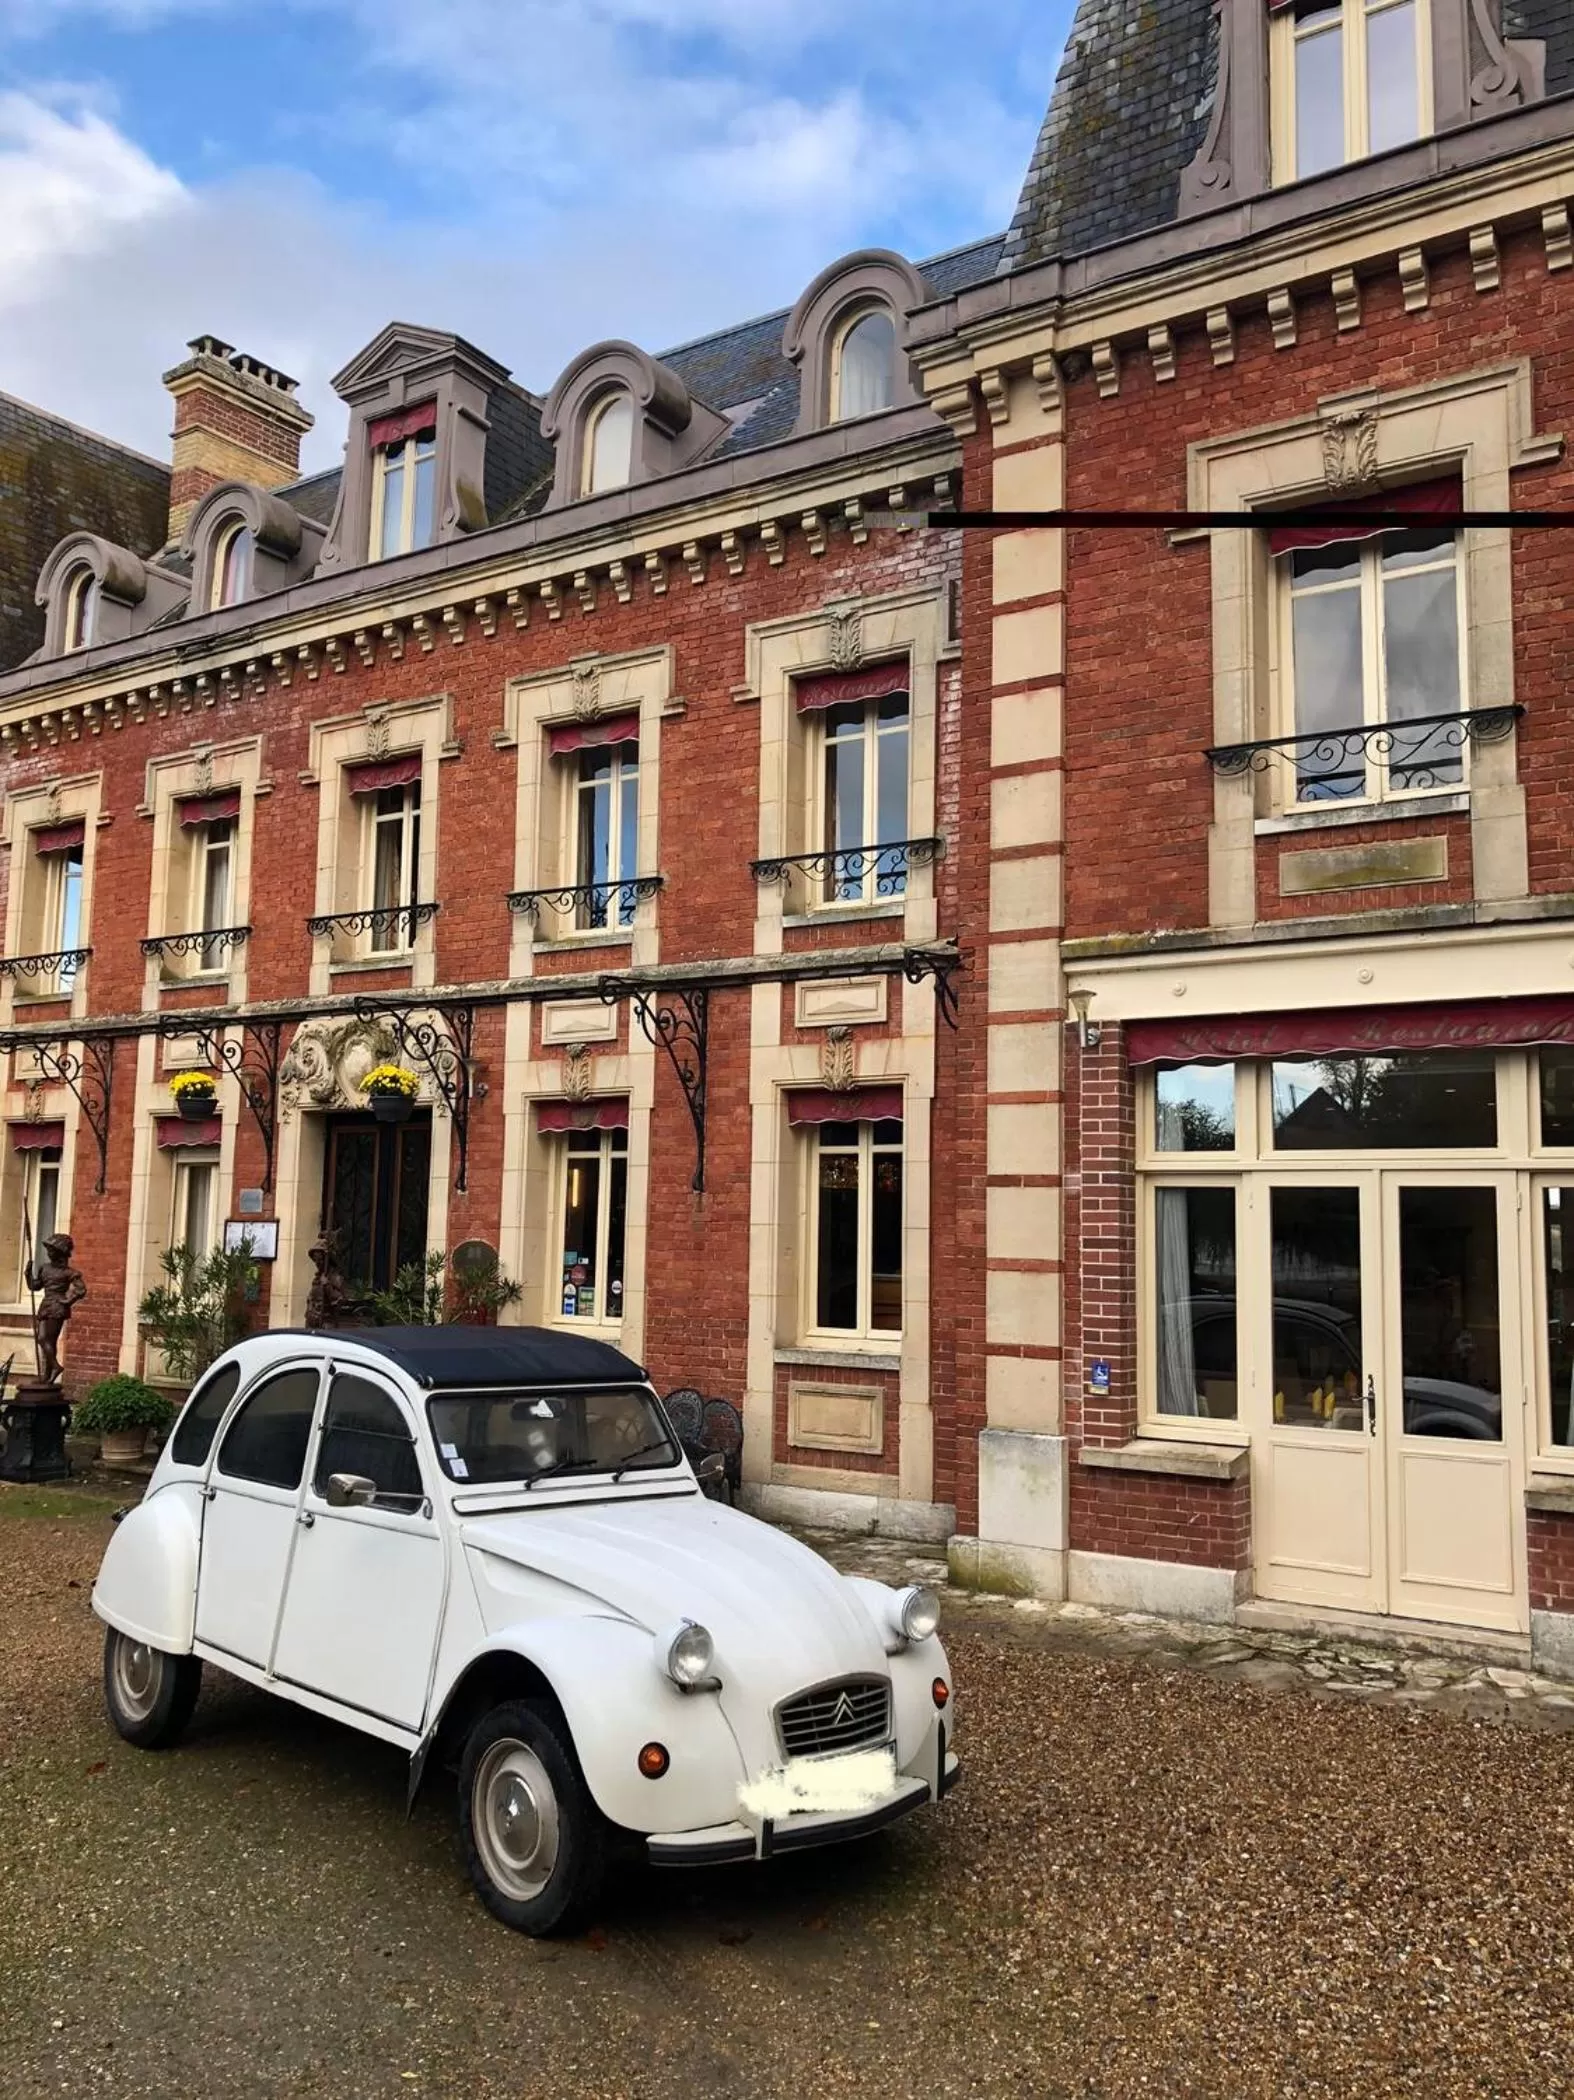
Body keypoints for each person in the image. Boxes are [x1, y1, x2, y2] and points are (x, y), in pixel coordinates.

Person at [26, 1232, 87, 1387]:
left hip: (57, 1307)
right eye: (49, 1250)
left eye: (52, 1250)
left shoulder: (69, 1272)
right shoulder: (44, 1268)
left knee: (46, 1340)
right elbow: (35, 1286)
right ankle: (48, 1374)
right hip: (46, 1304)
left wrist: (67, 1301)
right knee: (45, 1340)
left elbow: (81, 1290)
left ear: (60, 1252)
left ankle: (54, 1369)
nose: (49, 1253)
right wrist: (28, 1274)